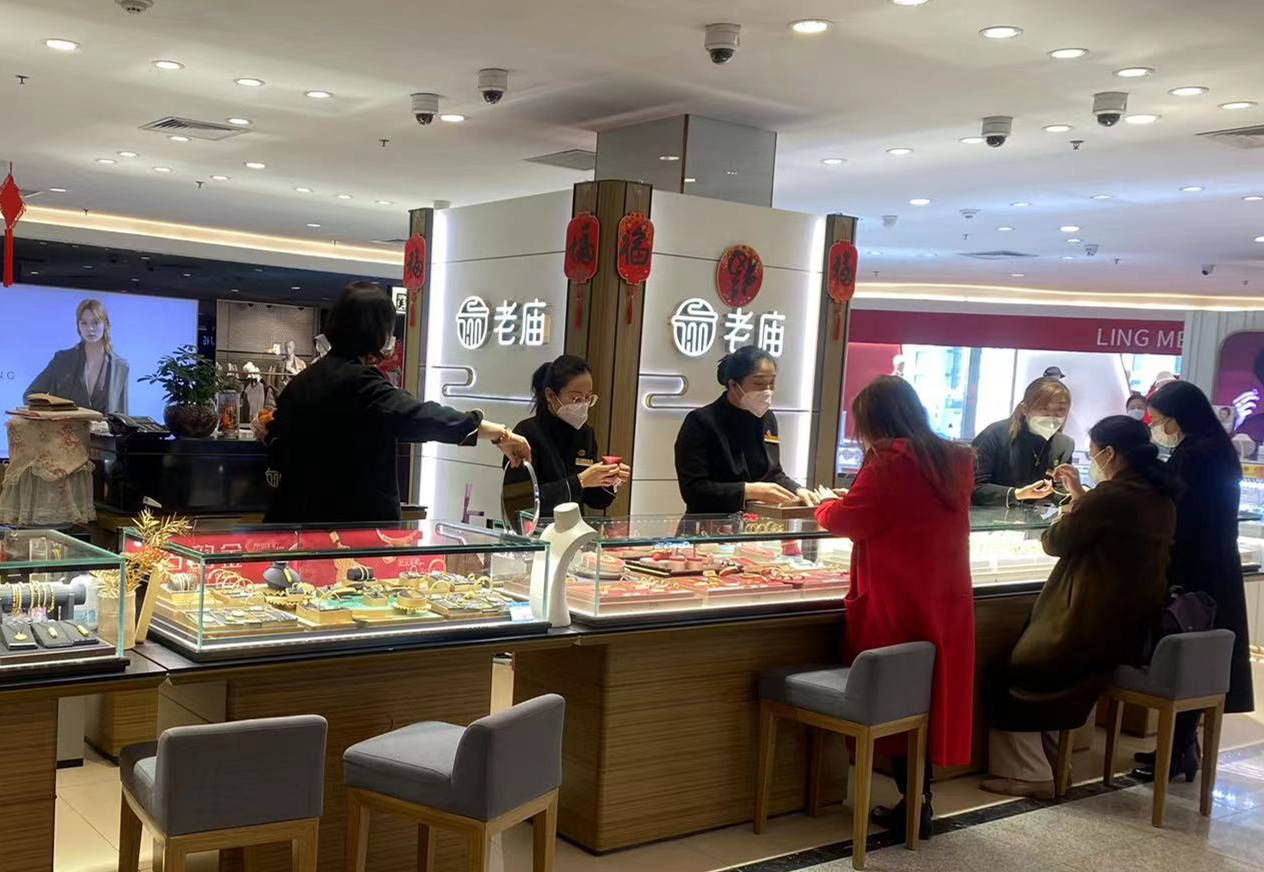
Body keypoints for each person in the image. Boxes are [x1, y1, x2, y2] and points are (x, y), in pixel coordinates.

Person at [814, 376, 975, 839]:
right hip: (945, 596)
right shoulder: (953, 458)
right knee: (928, 697)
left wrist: (824, 505)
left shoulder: (890, 462)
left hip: (897, 598)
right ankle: (919, 800)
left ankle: (914, 804)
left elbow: (849, 519)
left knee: (896, 696)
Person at [982, 415, 1175, 797]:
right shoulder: (1159, 495)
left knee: (1012, 670)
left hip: (1087, 624)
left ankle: (1031, 772)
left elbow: (1056, 541)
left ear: (1110, 453)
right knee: (1040, 671)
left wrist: (1072, 508)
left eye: (1094, 451)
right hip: (1128, 626)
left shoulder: (1112, 496)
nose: (1092, 457)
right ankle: (1054, 766)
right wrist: (1080, 495)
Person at [262, 283, 530, 523]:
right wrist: (499, 433)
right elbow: (421, 416)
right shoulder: (361, 382)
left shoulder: (302, 382)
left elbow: (278, 442)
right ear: (376, 331)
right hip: (349, 529)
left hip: (294, 523)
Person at [1135, 381, 1255, 780]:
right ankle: (1182, 747)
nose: (1157, 427)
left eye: (1159, 420)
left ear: (1177, 418)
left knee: (1184, 659)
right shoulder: (1217, 448)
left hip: (1194, 570)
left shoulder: (1195, 455)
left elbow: (1176, 509)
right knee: (1198, 663)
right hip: (1216, 565)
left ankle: (1178, 750)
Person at [674, 346, 818, 514]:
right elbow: (693, 490)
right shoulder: (701, 421)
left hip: (757, 523)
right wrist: (748, 491)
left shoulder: (767, 418)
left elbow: (773, 473)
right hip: (709, 523)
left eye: (771, 383)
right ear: (733, 385)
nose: (767, 391)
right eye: (759, 383)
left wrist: (797, 489)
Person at [507, 355, 629, 518]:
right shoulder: (526, 433)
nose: (583, 404)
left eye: (588, 397)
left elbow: (595, 501)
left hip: (573, 528)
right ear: (550, 395)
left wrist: (609, 480)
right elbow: (521, 500)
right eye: (575, 398)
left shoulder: (585, 434)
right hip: (536, 528)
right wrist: (580, 481)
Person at [971, 377, 1074, 506]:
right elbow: (975, 487)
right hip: (991, 514)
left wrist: (1078, 493)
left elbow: (1060, 490)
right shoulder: (994, 435)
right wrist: (1017, 494)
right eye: (1044, 410)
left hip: (1037, 516)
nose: (1052, 417)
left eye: (1060, 410)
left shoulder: (1064, 445)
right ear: (1025, 409)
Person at [25, 298, 129, 414]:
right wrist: (52, 415)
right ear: (78, 326)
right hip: (66, 425)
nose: (90, 328)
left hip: (104, 426)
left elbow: (122, 413)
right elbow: (31, 396)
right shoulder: (62, 360)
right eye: (84, 323)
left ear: (105, 324)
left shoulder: (120, 366)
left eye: (95, 322)